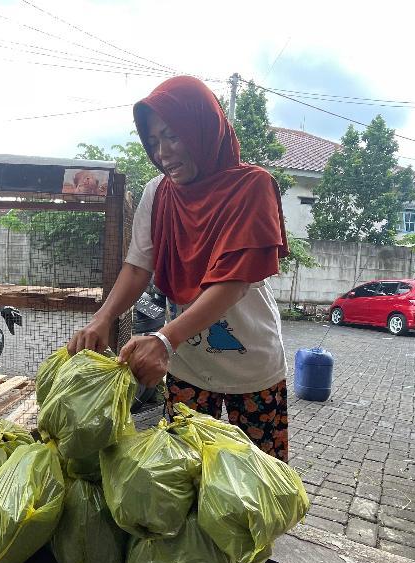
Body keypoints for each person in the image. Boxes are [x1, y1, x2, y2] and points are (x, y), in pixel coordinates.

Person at [68, 76, 290, 461]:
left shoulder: (252, 187)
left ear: (202, 129)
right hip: (186, 368)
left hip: (251, 370)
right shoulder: (158, 193)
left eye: (173, 136)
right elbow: (138, 266)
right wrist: (102, 318)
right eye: (154, 141)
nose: (163, 152)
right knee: (182, 484)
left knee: (255, 495)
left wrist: (164, 340)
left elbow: (234, 283)